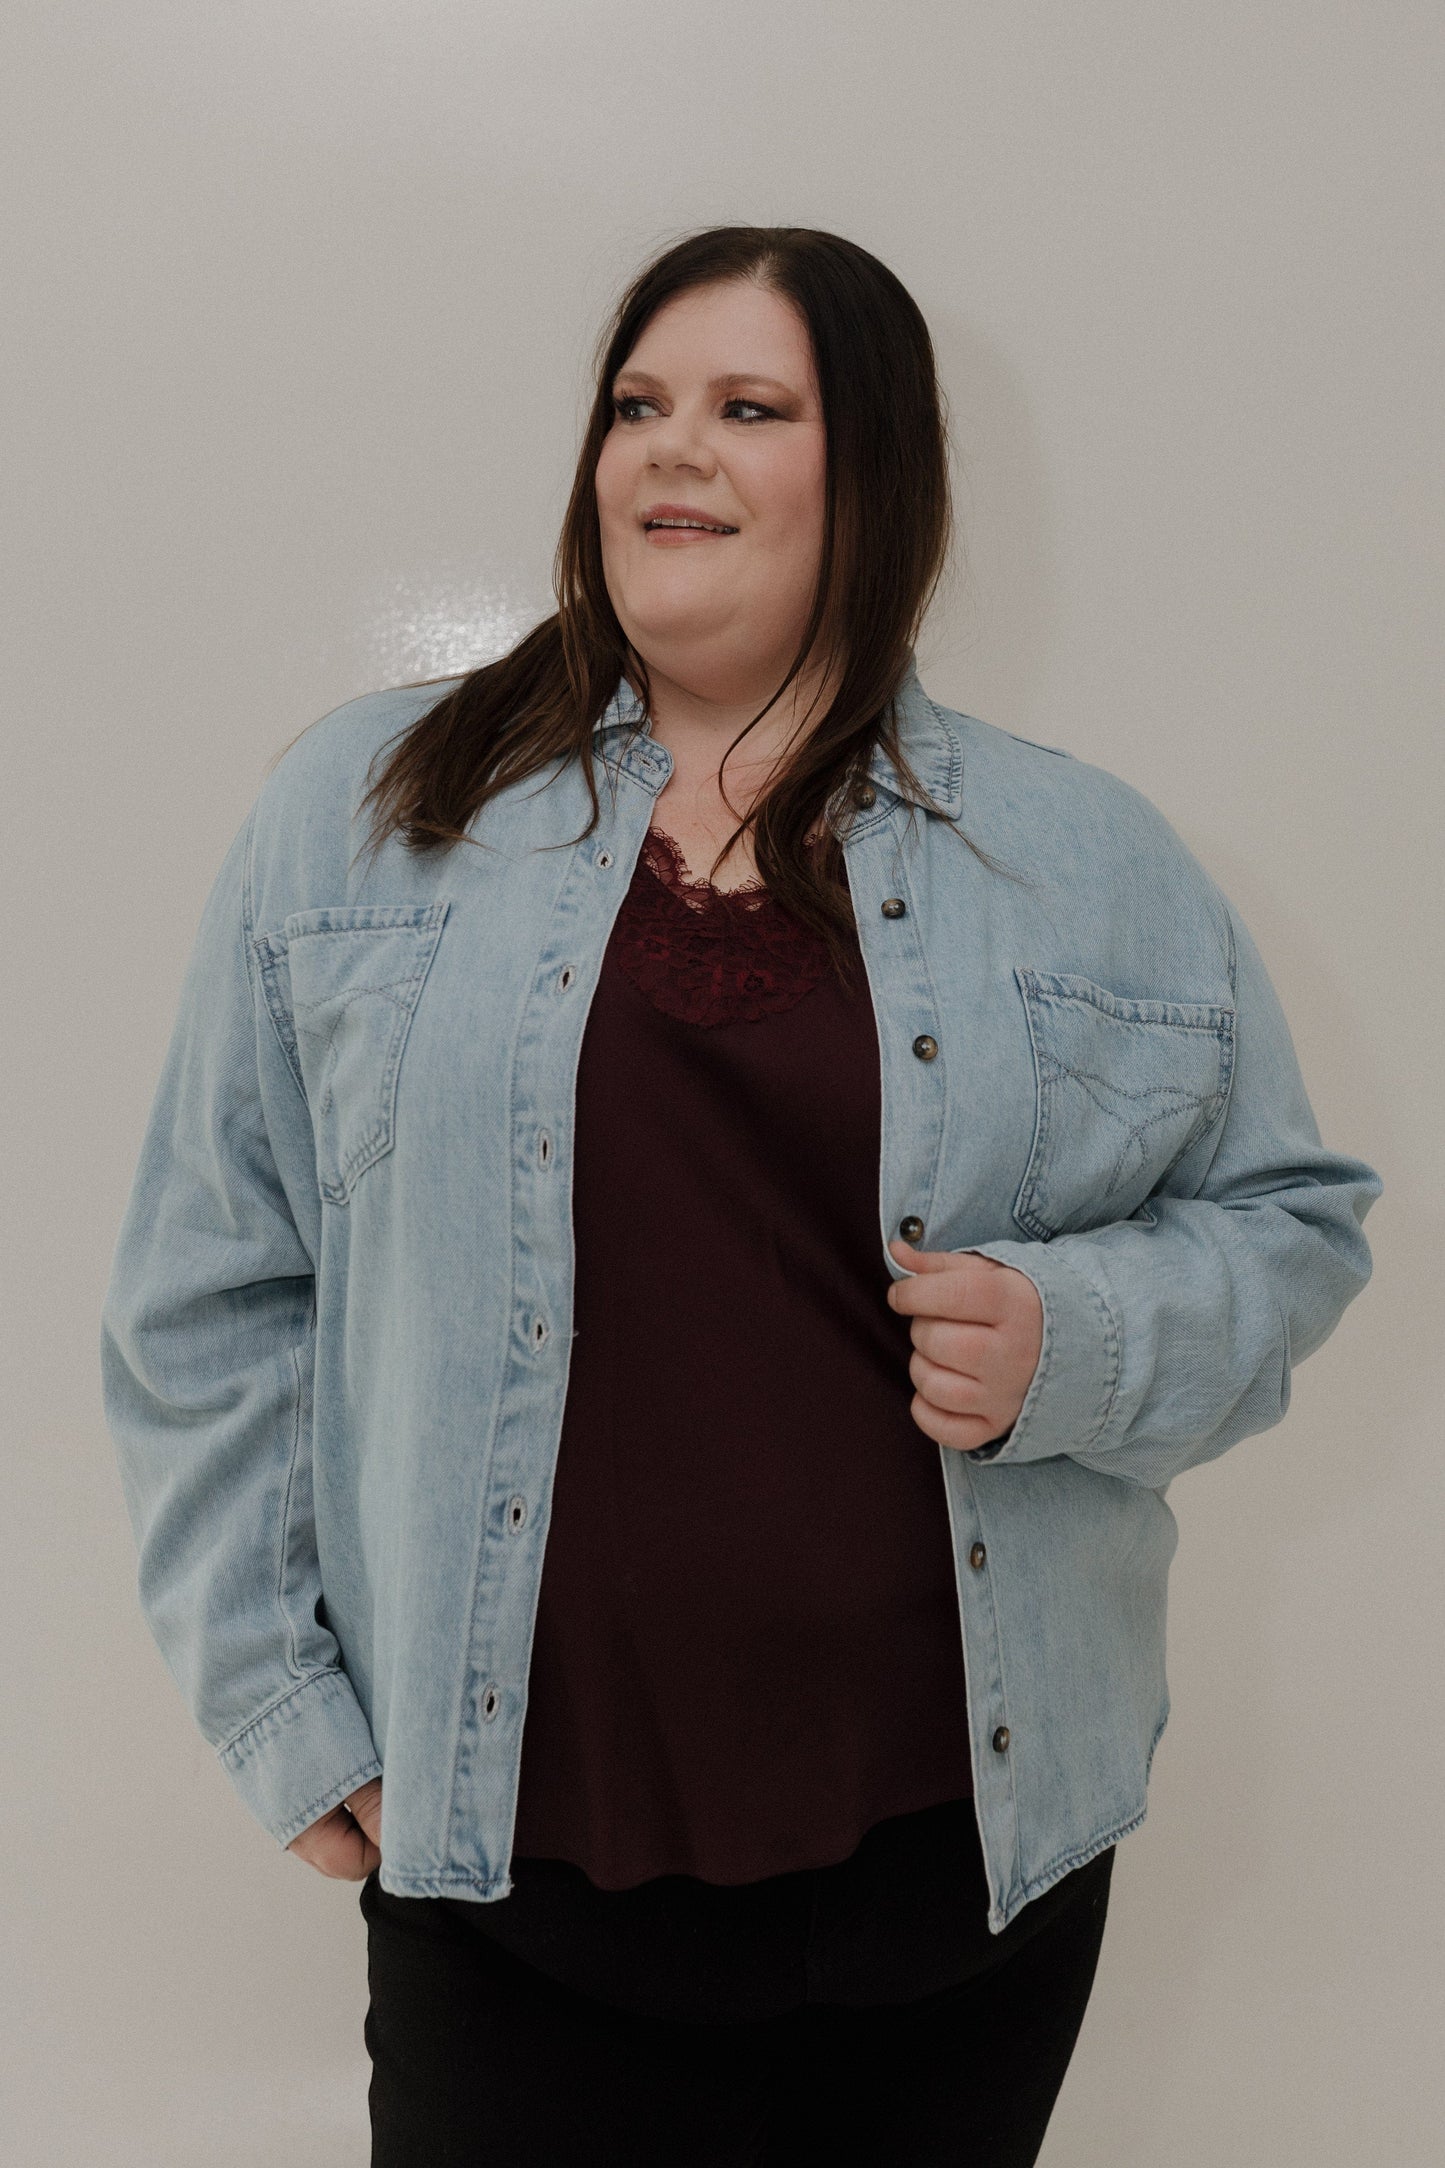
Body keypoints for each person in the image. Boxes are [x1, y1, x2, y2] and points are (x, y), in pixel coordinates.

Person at [100, 225, 1383, 2166]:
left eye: (745, 406)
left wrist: (1081, 1337)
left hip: (963, 1876)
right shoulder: (366, 816)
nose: (666, 449)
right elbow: (210, 1290)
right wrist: (280, 1703)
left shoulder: (1089, 857)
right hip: (513, 1880)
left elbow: (1290, 1225)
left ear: (872, 473)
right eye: (636, 404)